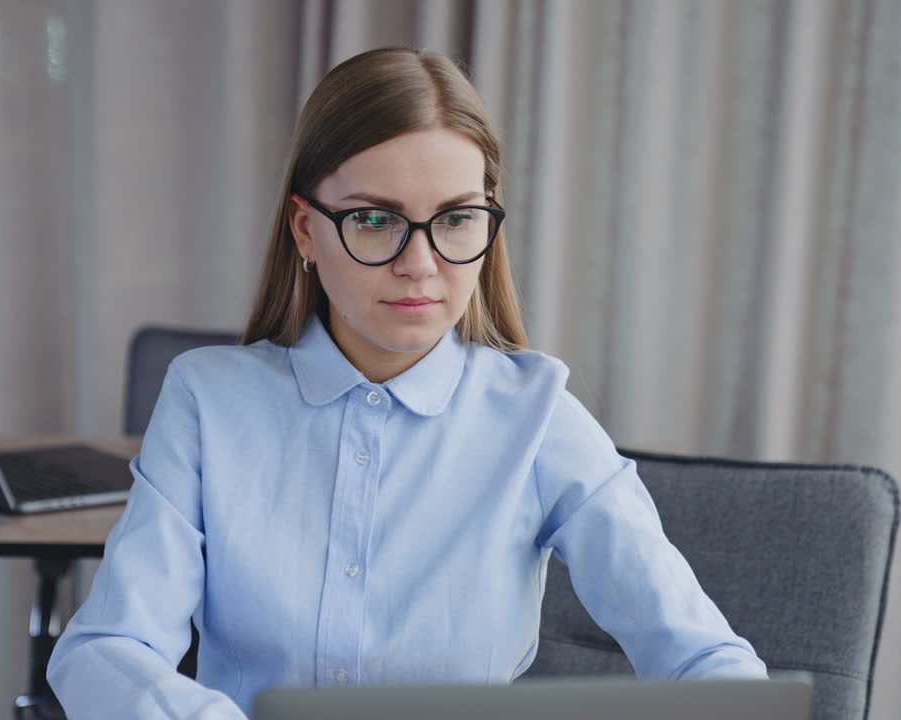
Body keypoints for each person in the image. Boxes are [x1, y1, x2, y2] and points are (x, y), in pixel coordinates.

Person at [47, 46, 767, 719]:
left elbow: (706, 658)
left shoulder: (539, 417)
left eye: (455, 219)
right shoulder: (207, 401)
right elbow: (106, 648)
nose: (420, 264)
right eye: (374, 219)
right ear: (305, 228)